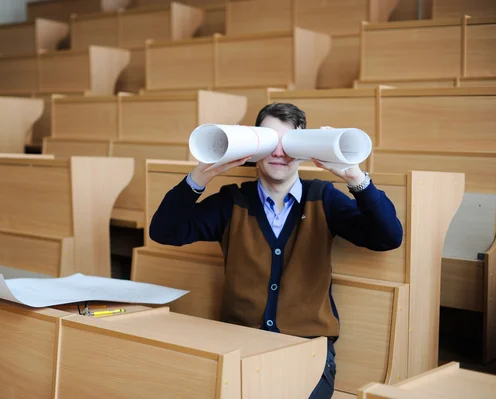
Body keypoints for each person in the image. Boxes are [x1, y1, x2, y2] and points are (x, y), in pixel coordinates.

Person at [149, 103, 403, 398]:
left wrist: (355, 178)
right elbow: (164, 232)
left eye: (290, 143)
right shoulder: (232, 202)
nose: (279, 153)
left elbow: (388, 237)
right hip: (240, 345)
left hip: (308, 351)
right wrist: (201, 176)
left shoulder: (323, 199)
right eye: (270, 141)